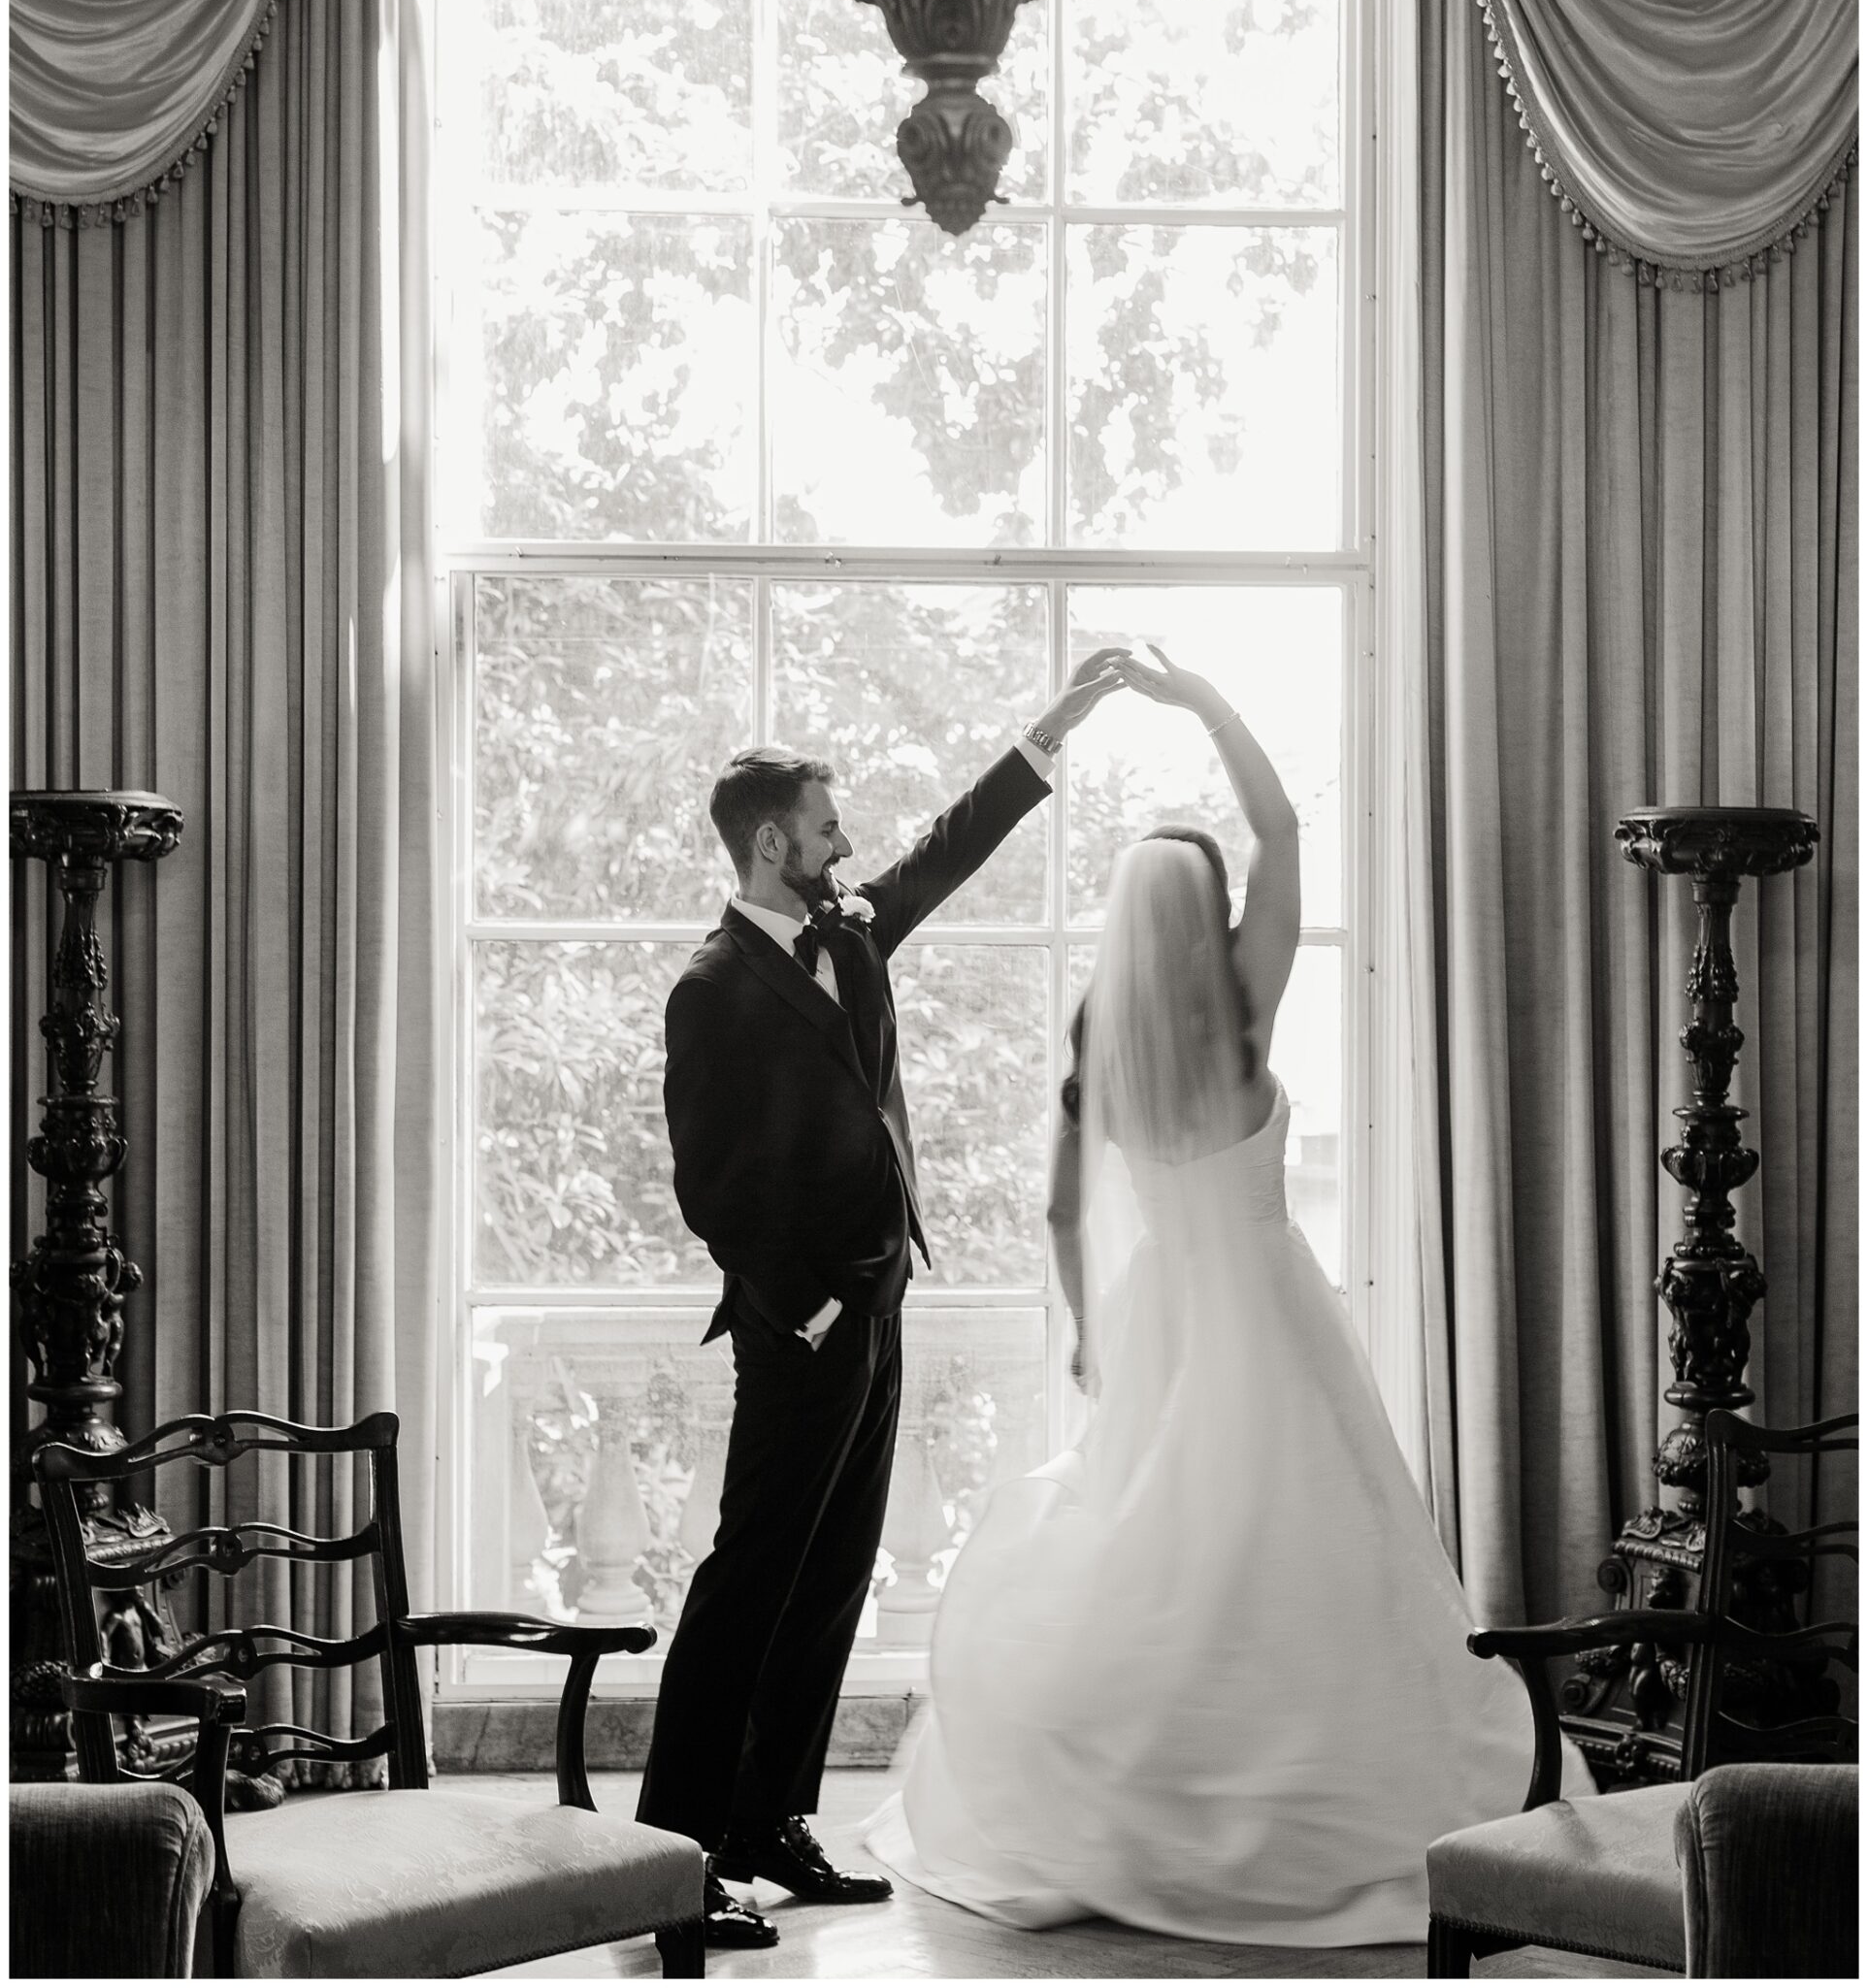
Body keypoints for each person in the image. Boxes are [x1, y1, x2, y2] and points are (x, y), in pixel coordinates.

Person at [866, 642, 1589, 1947]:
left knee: (1166, 1559)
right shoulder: (1244, 1012)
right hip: (1267, 1310)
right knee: (1314, 1564)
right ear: (1203, 916)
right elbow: (1280, 824)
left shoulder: (1108, 1038)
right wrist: (1194, 698)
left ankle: (1151, 1797)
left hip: (1163, 1319)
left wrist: (1093, 1331)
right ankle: (1325, 1796)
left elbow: (1060, 1208)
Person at [637, 651, 1126, 1952]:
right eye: (822, 827)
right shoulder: (709, 990)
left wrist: (1046, 736)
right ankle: (678, 1855)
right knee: (749, 1581)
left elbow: (942, 853)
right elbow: (712, 1185)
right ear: (763, 846)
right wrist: (802, 1311)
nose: (846, 844)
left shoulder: (847, 932)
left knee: (832, 1575)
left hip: (880, 1297)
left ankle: (768, 1825)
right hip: (799, 1322)